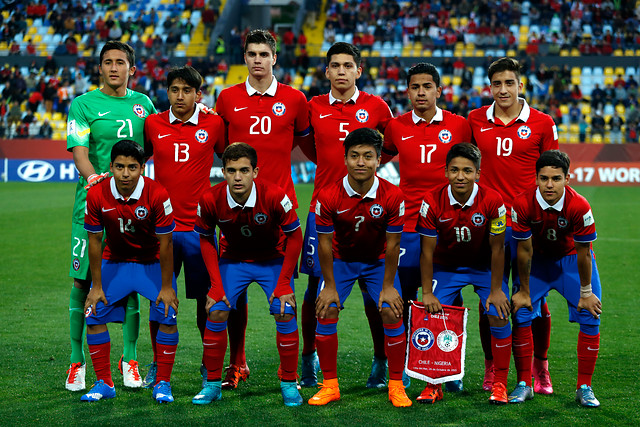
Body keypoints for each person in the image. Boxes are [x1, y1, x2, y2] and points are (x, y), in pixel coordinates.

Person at [213, 29, 310, 390]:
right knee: (231, 296)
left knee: (284, 293)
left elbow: (302, 140)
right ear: (245, 58)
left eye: (263, 54)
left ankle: (291, 372)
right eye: (251, 53)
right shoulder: (226, 99)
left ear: (274, 58)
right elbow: (221, 148)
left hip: (279, 211)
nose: (257, 59)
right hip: (236, 210)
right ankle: (237, 363)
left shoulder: (295, 99)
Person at [297, 42, 394, 389]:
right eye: (334, 65)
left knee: (374, 295)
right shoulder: (313, 107)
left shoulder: (377, 106)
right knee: (316, 290)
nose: (341, 71)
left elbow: (391, 146)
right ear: (326, 72)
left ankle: (381, 361)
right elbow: (311, 149)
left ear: (358, 70)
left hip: (370, 211)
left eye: (347, 65)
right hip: (323, 210)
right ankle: (308, 358)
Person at [65, 41, 157, 392]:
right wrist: (93, 178)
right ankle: (77, 361)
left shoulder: (143, 105)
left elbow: (154, 146)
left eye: (121, 62)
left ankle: (129, 358)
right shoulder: (83, 104)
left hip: (131, 211)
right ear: (99, 68)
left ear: (133, 69)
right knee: (80, 283)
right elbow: (80, 151)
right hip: (88, 206)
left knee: (130, 280)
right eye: (108, 62)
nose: (114, 68)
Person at [467, 57, 558, 392]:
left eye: (509, 83)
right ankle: (492, 370)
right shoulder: (475, 120)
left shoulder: (543, 122)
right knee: (489, 299)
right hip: (488, 224)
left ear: (521, 85)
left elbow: (552, 173)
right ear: (489, 87)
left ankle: (540, 368)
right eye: (497, 84)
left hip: (529, 226)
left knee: (534, 298)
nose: (503, 89)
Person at [191, 142, 304, 407]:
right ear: (223, 172)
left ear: (255, 171)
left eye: (244, 170)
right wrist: (216, 286)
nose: (238, 177)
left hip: (272, 260)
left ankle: (288, 382)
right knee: (216, 309)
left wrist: (285, 282)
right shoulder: (210, 199)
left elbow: (295, 238)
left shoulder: (275, 195)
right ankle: (212, 385)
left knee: (285, 310)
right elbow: (206, 239)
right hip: (234, 261)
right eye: (231, 171)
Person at [381, 63, 471, 390]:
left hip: (447, 225)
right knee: (403, 296)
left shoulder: (460, 126)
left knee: (448, 298)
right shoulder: (396, 126)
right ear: (407, 91)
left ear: (438, 91)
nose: (421, 92)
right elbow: (377, 156)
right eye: (415, 87)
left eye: (427, 87)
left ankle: (449, 367)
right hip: (407, 226)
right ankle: (405, 365)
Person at [309, 128, 411, 408]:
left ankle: (396, 385)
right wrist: (329, 286)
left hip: (378, 261)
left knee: (391, 311)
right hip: (341, 260)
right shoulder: (327, 196)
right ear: (345, 159)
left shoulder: (393, 196)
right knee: (325, 308)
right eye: (354, 156)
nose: (361, 162)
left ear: (379, 160)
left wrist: (389, 287)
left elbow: (392, 246)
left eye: (368, 156)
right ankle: (330, 385)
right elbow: (325, 245)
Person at [143, 66, 226, 388]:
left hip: (199, 229)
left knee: (206, 300)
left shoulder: (214, 123)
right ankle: (156, 363)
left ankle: (209, 363)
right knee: (159, 299)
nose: (180, 96)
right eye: (175, 90)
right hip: (161, 229)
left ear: (198, 94)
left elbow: (230, 159)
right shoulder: (152, 124)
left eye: (187, 90)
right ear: (168, 92)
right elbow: (137, 160)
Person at [82, 140, 178, 403]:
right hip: (116, 262)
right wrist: (96, 286)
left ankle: (163, 384)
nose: (126, 173)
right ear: (111, 166)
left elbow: (167, 243)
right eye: (120, 167)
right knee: (93, 315)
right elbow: (94, 241)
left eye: (133, 167)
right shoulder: (96, 194)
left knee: (168, 315)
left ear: (143, 168)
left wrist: (167, 287)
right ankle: (104, 383)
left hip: (153, 263)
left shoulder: (158, 194)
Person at [416, 143, 511, 405]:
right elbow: (426, 252)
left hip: (484, 267)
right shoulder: (430, 201)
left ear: (478, 174)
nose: (461, 176)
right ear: (445, 171)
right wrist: (426, 293)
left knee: (498, 311)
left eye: (467, 171)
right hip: (446, 267)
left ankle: (500, 384)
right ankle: (433, 384)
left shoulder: (494, 200)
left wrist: (496, 290)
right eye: (455, 170)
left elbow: (498, 249)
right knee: (431, 313)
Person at [510, 150, 602, 407]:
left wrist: (586, 292)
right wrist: (524, 290)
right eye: (544, 178)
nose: (549, 184)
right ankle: (524, 384)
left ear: (567, 179)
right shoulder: (522, 203)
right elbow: (524, 249)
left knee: (591, 313)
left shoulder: (579, 205)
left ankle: (584, 387)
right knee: (521, 311)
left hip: (571, 260)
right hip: (537, 261)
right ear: (536, 178)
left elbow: (585, 252)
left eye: (556, 178)